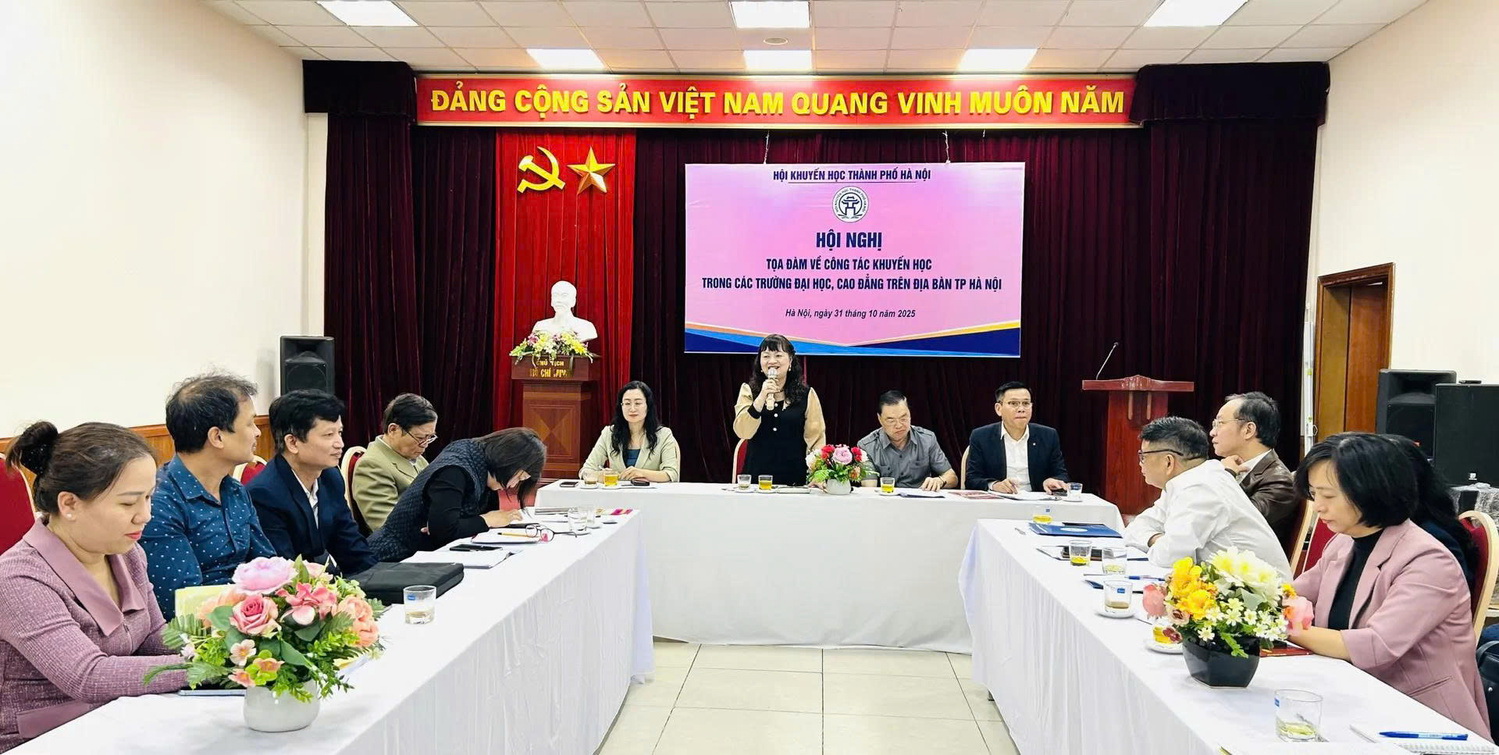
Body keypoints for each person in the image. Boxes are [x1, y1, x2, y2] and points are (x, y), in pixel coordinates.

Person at [0, 422, 187, 750]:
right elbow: (88, 676)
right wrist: (202, 668)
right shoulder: (18, 579)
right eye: (128, 503)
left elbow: (154, 637)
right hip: (45, 739)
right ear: (69, 504)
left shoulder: (127, 553)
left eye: (148, 498)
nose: (145, 515)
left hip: (122, 719)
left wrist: (224, 646)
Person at [1288, 434, 1489, 737]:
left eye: (1328, 496)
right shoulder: (1344, 542)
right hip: (1354, 698)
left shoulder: (1428, 559)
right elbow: (1293, 592)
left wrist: (1280, 626)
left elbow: (1376, 645)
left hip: (1422, 719)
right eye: (1314, 494)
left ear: (1372, 491)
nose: (1318, 507)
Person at [141, 372, 277, 618]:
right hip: (201, 630)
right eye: (249, 424)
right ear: (217, 436)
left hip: (252, 617)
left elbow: (267, 565)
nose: (258, 433)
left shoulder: (235, 491)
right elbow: (182, 603)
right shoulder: (160, 503)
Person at [1124, 417, 1291, 576]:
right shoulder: (1188, 481)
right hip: (1226, 585)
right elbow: (1134, 529)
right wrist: (1157, 539)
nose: (1140, 463)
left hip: (1260, 591)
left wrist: (1156, 540)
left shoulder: (1201, 487)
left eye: (1143, 456)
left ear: (1168, 461)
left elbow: (1168, 557)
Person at [247, 390, 378, 576]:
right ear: (293, 442)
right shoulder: (264, 494)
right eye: (328, 435)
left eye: (340, 432)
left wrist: (381, 582)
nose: (340, 443)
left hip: (324, 579)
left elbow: (352, 549)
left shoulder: (330, 477)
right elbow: (283, 570)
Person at [367, 428, 546, 562]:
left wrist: (459, 522)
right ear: (507, 462)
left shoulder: (478, 460)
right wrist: (487, 520)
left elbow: (445, 527)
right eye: (519, 477)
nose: (513, 485)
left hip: (423, 555)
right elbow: (444, 532)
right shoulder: (455, 471)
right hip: (392, 558)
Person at [1208, 392, 1299, 555]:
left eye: (1220, 423)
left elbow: (1235, 525)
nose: (1212, 432)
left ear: (1248, 430)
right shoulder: (1224, 467)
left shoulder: (1279, 482)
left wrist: (1226, 475)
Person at [732, 334, 827, 486]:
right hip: (757, 479)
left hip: (795, 480)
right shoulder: (748, 391)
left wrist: (818, 474)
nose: (771, 361)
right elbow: (743, 432)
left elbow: (817, 440)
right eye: (766, 356)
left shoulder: (806, 394)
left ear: (790, 361)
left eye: (778, 355)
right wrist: (761, 397)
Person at [351, 393, 437, 531]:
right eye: (421, 437)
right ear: (393, 429)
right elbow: (388, 527)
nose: (425, 444)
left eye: (430, 437)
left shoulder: (416, 457)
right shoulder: (372, 466)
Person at [964, 381, 1069, 493]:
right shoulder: (981, 436)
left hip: (1036, 500)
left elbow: (1062, 475)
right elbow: (972, 480)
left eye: (1026, 403)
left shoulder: (1048, 435)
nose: (1021, 409)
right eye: (1013, 403)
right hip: (999, 499)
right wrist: (994, 485)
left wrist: (1052, 481)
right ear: (998, 409)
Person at [580, 381, 681, 483]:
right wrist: (599, 476)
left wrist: (642, 473)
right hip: (618, 492)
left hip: (650, 492)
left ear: (648, 406)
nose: (632, 409)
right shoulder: (609, 433)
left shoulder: (664, 435)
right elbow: (585, 470)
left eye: (637, 403)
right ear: (621, 406)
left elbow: (671, 474)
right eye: (627, 403)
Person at [856, 390, 956, 491]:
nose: (899, 425)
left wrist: (940, 481)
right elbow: (869, 487)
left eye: (903, 418)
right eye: (891, 420)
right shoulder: (866, 446)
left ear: (910, 414)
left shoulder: (927, 439)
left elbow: (952, 478)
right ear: (880, 419)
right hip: (886, 498)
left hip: (920, 498)